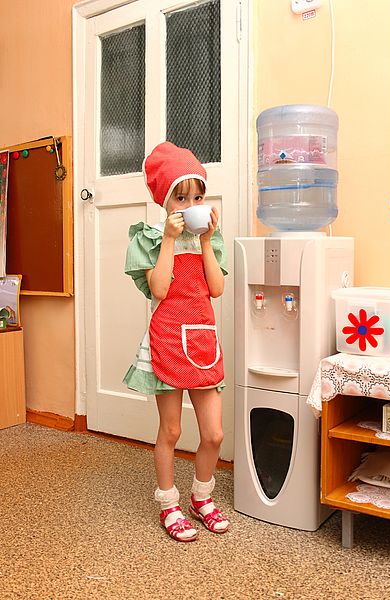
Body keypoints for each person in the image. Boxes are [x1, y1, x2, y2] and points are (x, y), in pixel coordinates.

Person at [123, 142, 230, 542]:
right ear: (164, 199)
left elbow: (216, 289)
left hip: (202, 341)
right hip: (166, 341)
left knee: (214, 434)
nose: (190, 203)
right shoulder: (150, 238)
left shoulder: (209, 241)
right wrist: (169, 240)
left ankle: (202, 499)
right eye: (181, 196)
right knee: (170, 430)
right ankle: (169, 505)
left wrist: (204, 240)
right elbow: (160, 289)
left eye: (197, 196)